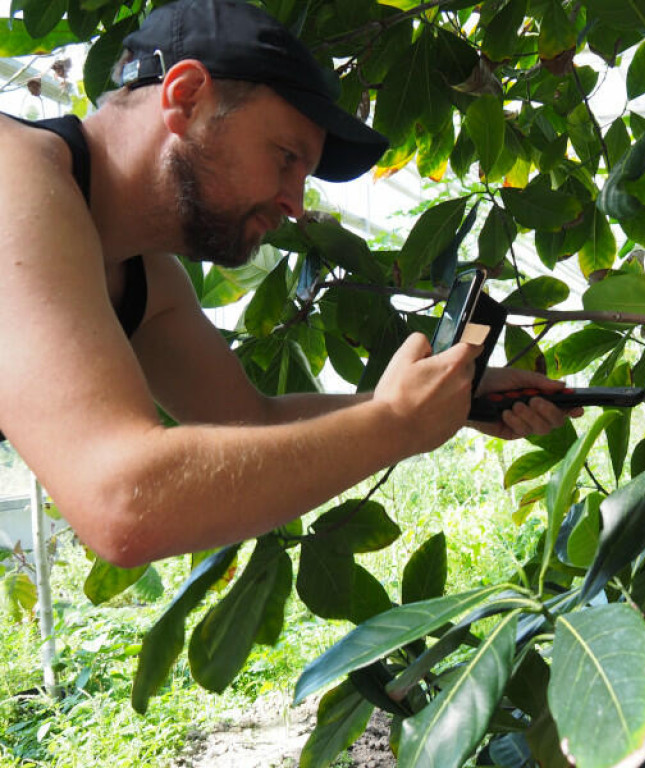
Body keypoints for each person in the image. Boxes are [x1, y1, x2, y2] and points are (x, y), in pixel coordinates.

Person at [0, 0, 577, 569]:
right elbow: (122, 502)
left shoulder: (144, 278)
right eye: (285, 157)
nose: (296, 205)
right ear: (186, 98)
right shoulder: (14, 174)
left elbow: (250, 423)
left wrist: (441, 400)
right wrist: (394, 425)